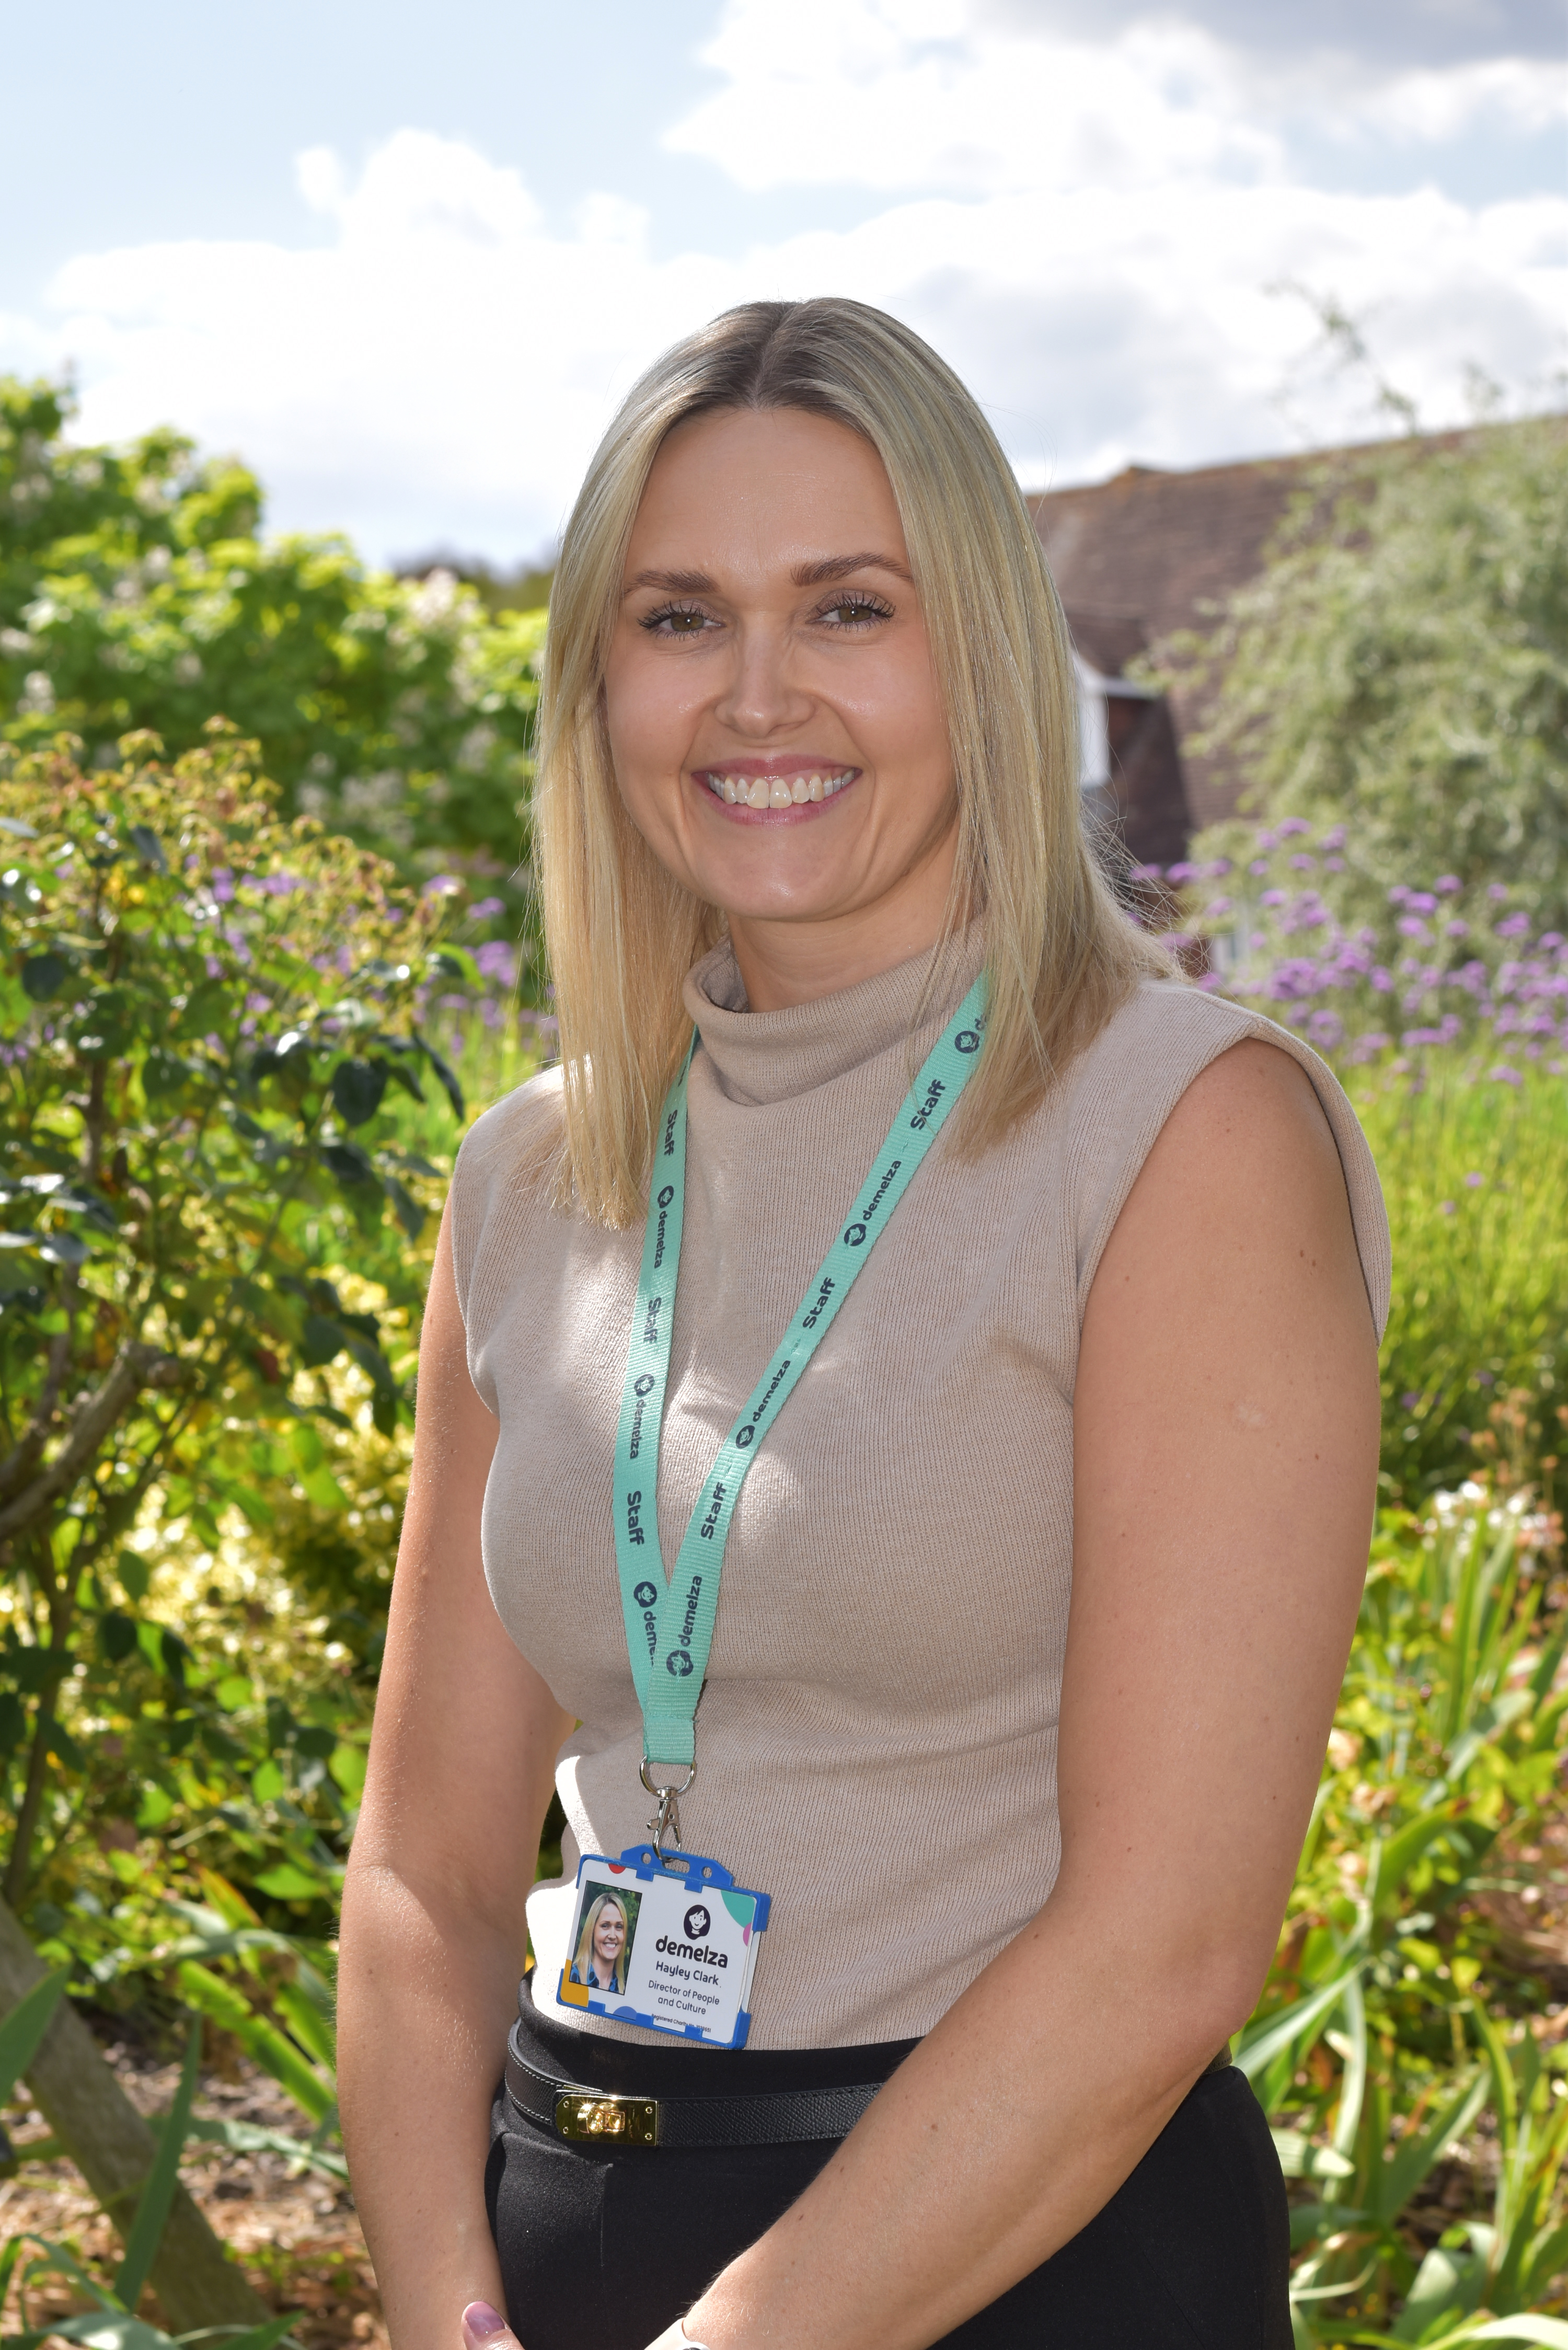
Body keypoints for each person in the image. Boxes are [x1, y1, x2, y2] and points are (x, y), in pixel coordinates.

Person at [337, 297, 1388, 2350]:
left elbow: (1166, 1941)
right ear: (598, 681)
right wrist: (446, 2310)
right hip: (561, 2253)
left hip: (1024, 2263)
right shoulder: (531, 1173)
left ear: (980, 648)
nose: (755, 696)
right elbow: (424, 1875)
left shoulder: (1178, 1128)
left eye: (845, 608)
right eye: (676, 616)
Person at [568, 1892, 631, 1995]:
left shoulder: (625, 1990)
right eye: (605, 1926)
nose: (612, 1935)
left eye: (619, 1927)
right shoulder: (572, 1977)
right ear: (592, 1930)